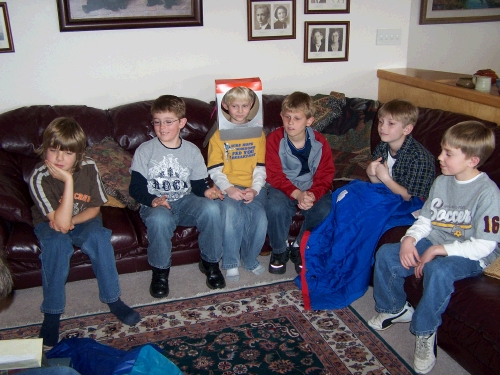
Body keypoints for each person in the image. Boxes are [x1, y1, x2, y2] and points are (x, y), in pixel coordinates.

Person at [368, 121, 500, 374]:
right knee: (387, 253)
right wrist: (410, 239)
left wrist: (440, 251)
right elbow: (426, 220)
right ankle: (394, 308)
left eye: (448, 153)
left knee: (439, 270)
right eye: (441, 150)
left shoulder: (488, 193)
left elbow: (485, 244)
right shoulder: (442, 181)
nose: (439, 157)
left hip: (471, 252)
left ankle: (425, 331)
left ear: (473, 160)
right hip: (437, 239)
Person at [28, 118, 140, 347]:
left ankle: (113, 299)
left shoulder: (89, 166)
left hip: (81, 219)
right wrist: (68, 181)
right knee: (57, 245)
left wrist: (71, 220)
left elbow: (94, 209)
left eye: (67, 153)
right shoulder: (39, 176)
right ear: (44, 150)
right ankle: (52, 313)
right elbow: (57, 223)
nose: (59, 158)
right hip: (49, 223)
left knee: (99, 237)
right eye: (53, 150)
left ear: (78, 155)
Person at [129, 95, 226, 299]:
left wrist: (208, 192)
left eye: (168, 121)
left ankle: (210, 263)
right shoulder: (144, 150)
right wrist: (152, 200)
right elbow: (135, 188)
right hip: (156, 203)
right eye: (157, 122)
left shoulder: (192, 151)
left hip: (185, 200)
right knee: (159, 219)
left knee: (212, 209)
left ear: (182, 123)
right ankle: (160, 272)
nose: (162, 127)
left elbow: (199, 185)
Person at [265, 91, 335, 275]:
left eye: (297, 118)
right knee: (275, 206)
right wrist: (297, 194)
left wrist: (312, 194)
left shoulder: (320, 142)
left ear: (309, 121)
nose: (290, 123)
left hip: (310, 186)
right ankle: (279, 250)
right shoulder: (274, 139)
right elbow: (274, 175)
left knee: (325, 208)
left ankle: (298, 246)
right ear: (281, 116)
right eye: (287, 117)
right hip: (283, 185)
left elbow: (326, 174)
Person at [207, 87, 267, 282]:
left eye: (244, 106)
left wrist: (255, 190)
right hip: (228, 185)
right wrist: (229, 188)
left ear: (251, 106)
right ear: (225, 106)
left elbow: (260, 167)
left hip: (253, 186)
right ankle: (231, 262)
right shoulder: (218, 135)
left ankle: (250, 259)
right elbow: (215, 169)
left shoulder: (258, 133)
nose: (240, 111)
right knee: (232, 215)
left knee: (260, 219)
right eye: (235, 106)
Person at [367, 99, 435, 201]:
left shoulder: (419, 158)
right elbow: (380, 187)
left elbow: (410, 198)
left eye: (391, 123)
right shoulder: (382, 147)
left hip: (414, 208)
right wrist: (371, 174)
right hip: (389, 199)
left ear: (406, 129)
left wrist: (385, 178)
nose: (382, 127)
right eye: (381, 122)